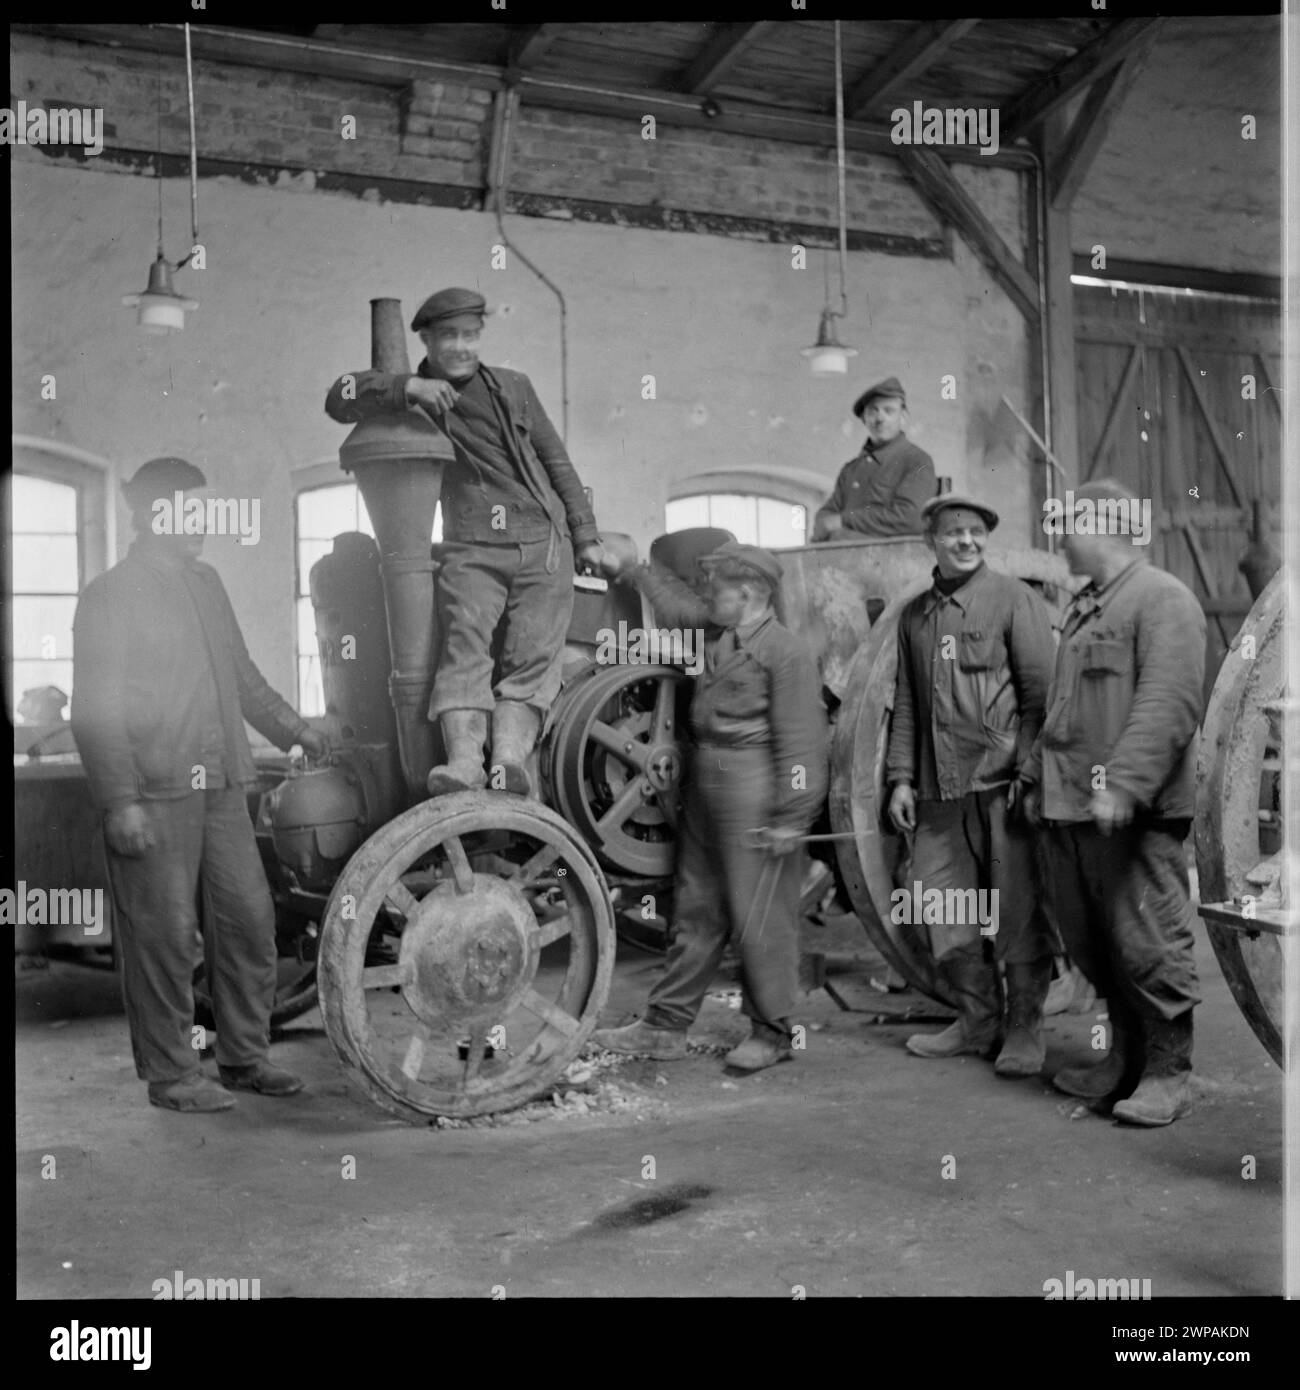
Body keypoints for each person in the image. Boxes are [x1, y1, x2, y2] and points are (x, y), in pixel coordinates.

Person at [70, 458, 330, 1112]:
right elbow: (94, 707)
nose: (201, 526)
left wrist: (300, 730)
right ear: (149, 515)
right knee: (163, 934)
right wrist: (119, 799)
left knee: (247, 918)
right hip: (154, 791)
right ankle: (173, 1075)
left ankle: (244, 1057)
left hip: (221, 786)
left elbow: (241, 677)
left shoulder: (207, 583)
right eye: (187, 512)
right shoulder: (112, 592)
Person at [325, 286, 605, 796]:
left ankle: (507, 762)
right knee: (464, 649)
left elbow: (556, 460)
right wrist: (407, 388)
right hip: (474, 547)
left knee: (531, 663)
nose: (461, 347)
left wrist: (585, 535)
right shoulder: (418, 398)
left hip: (545, 544)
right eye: (449, 336)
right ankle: (463, 765)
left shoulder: (514, 386)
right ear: (427, 340)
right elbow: (338, 398)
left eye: (470, 336)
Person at [593, 542, 829, 1072]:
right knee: (695, 906)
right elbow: (677, 608)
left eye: (715, 589)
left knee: (760, 915)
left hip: (755, 787)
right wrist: (634, 570)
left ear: (745, 594)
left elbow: (803, 745)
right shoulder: (719, 633)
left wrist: (792, 818)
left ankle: (773, 1031)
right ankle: (666, 1025)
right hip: (705, 784)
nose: (706, 597)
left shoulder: (783, 652)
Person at [1021, 478, 1205, 1126]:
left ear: (1098, 526)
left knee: (1146, 939)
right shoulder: (1087, 606)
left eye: (1066, 525)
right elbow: (1065, 711)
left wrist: (1125, 782)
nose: (1058, 539)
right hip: (1073, 807)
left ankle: (1169, 1072)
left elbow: (1169, 700)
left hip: (1132, 810)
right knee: (1095, 943)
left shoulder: (1162, 599)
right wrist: (1034, 779)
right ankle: (1123, 1059)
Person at [886, 493, 1059, 1074]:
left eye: (976, 532)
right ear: (929, 540)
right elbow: (907, 701)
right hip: (938, 791)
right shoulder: (914, 616)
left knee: (1016, 910)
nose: (966, 541)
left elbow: (1042, 700)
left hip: (1002, 787)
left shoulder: (1015, 600)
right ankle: (978, 1019)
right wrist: (901, 778)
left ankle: (1025, 1029)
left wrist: (1030, 776)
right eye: (953, 532)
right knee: (940, 904)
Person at [810, 376, 937, 541]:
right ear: (864, 419)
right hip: (843, 558)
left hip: (893, 559)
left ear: (903, 417)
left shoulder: (917, 461)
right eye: (872, 411)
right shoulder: (851, 469)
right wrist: (829, 524)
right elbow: (825, 515)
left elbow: (911, 518)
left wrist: (843, 521)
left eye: (889, 411)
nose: (880, 418)